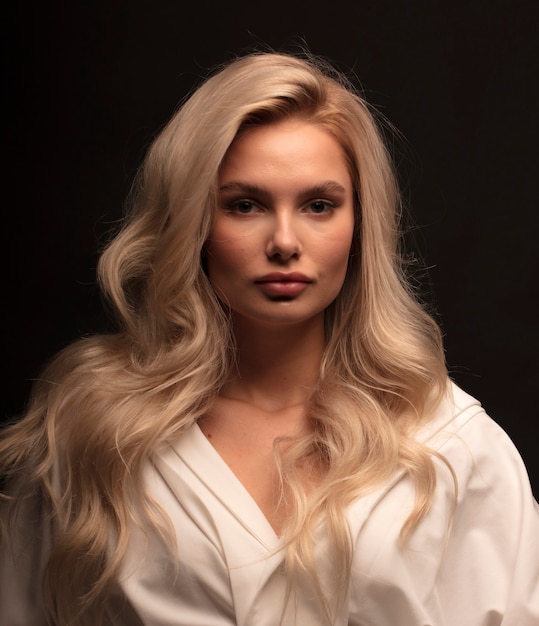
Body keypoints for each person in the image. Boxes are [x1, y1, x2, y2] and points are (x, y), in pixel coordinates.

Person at [1, 49, 538, 626]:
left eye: (319, 205)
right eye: (245, 205)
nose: (284, 241)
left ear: (360, 226)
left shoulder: (452, 444)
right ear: (194, 222)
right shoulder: (93, 431)